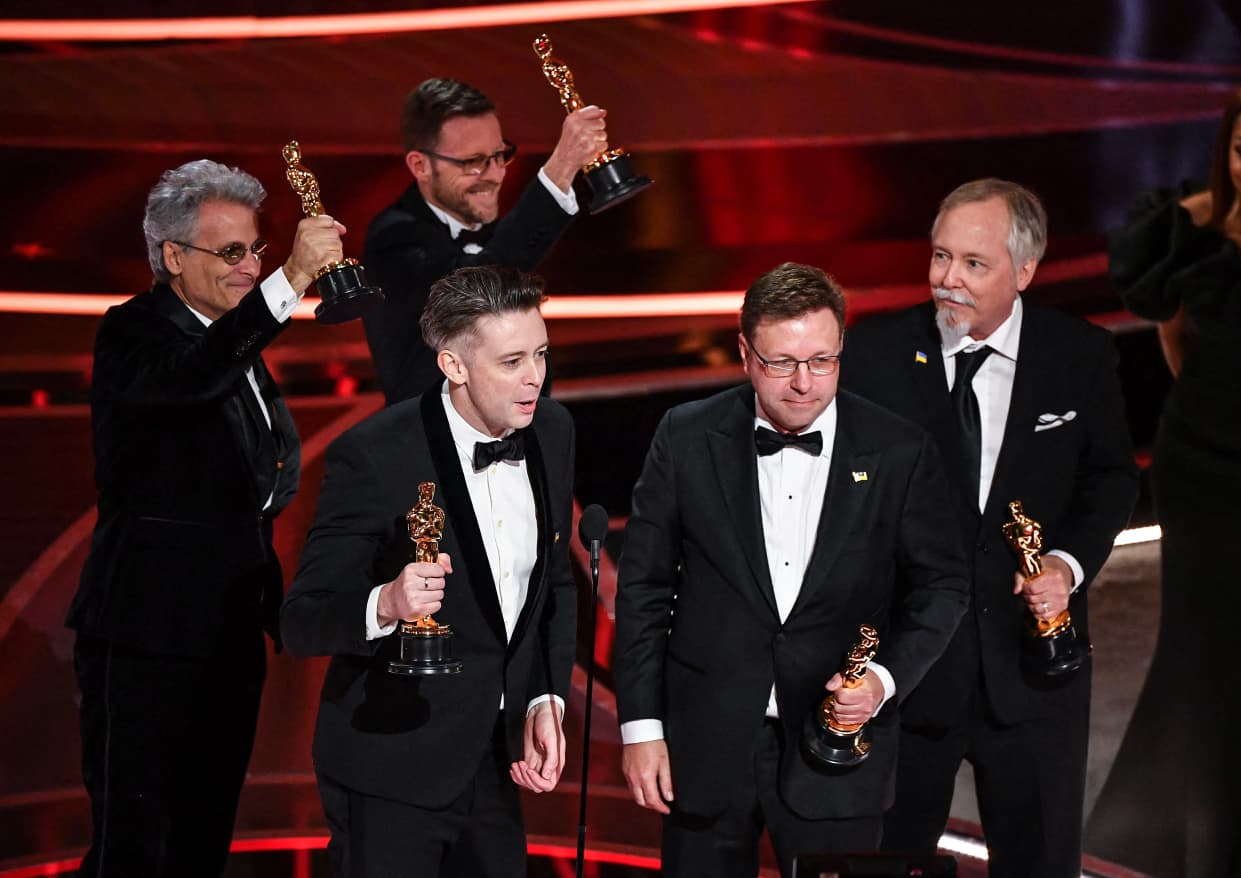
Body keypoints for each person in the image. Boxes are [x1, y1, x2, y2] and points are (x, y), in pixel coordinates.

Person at [612, 262, 971, 878]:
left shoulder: (898, 450)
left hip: (840, 753)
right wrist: (641, 727)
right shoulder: (686, 436)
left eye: (822, 361)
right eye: (782, 363)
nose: (804, 384)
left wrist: (883, 682)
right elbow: (644, 589)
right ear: (746, 354)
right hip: (704, 747)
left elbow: (942, 586)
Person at [840, 178, 1139, 878]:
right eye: (941, 257)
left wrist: (1065, 563)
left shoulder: (1078, 356)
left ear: (1024, 271)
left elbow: (1111, 478)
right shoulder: (875, 355)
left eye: (974, 264)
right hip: (904, 677)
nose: (949, 279)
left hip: (1032, 674)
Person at [66, 159, 346, 876]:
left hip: (227, 627)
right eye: (231, 253)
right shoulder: (134, 333)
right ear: (171, 256)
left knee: (203, 835)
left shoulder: (234, 338)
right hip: (147, 631)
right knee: (136, 844)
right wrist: (290, 283)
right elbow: (193, 378)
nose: (251, 267)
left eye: (255, 250)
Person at [280, 265, 576, 878]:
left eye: (541, 354)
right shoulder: (376, 454)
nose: (534, 378)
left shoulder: (552, 430)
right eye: (512, 361)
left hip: (496, 767)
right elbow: (303, 621)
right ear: (454, 366)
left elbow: (556, 585)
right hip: (391, 767)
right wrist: (384, 603)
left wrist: (543, 696)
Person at [1083, 80, 1241, 878]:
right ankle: (1202, 845)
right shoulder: (1188, 231)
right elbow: (1176, 341)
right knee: (1206, 649)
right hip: (1205, 468)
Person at [363, 77, 609, 404]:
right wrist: (561, 168)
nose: (495, 175)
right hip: (431, 447)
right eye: (473, 162)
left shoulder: (493, 231)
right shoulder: (393, 239)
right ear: (420, 165)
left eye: (499, 156)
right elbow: (477, 287)